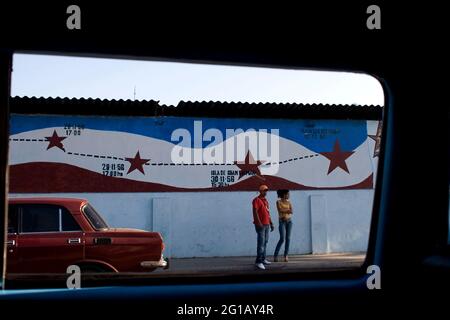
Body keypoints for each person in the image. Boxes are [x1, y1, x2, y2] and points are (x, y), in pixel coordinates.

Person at [252, 184, 274, 270]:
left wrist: (271, 223)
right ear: (260, 191)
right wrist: (258, 222)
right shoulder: (256, 200)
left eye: (266, 190)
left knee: (265, 242)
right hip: (260, 225)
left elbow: (268, 213)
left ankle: (263, 259)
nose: (266, 192)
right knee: (261, 243)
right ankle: (258, 261)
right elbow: (255, 212)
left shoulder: (265, 201)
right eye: (264, 190)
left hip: (267, 224)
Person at [274, 189, 293, 262]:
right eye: (288, 194)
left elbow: (292, 211)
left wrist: (286, 211)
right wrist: (287, 211)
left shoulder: (289, 202)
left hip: (289, 222)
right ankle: (275, 256)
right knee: (282, 238)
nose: (289, 195)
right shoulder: (278, 202)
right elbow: (280, 210)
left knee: (288, 239)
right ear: (284, 195)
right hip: (282, 222)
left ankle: (286, 255)